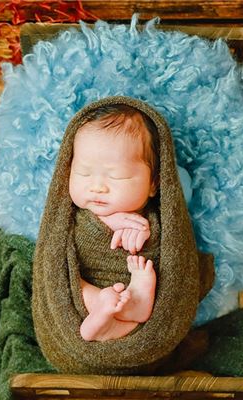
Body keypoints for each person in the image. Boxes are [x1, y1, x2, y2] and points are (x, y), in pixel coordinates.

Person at [69, 103, 160, 342]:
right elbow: (55, 252)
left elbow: (172, 251)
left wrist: (146, 232)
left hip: (134, 309)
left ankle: (133, 302)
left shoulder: (152, 221)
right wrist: (107, 221)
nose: (97, 187)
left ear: (153, 183)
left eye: (117, 176)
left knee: (145, 268)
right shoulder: (70, 218)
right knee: (65, 279)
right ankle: (107, 311)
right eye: (84, 173)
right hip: (82, 299)